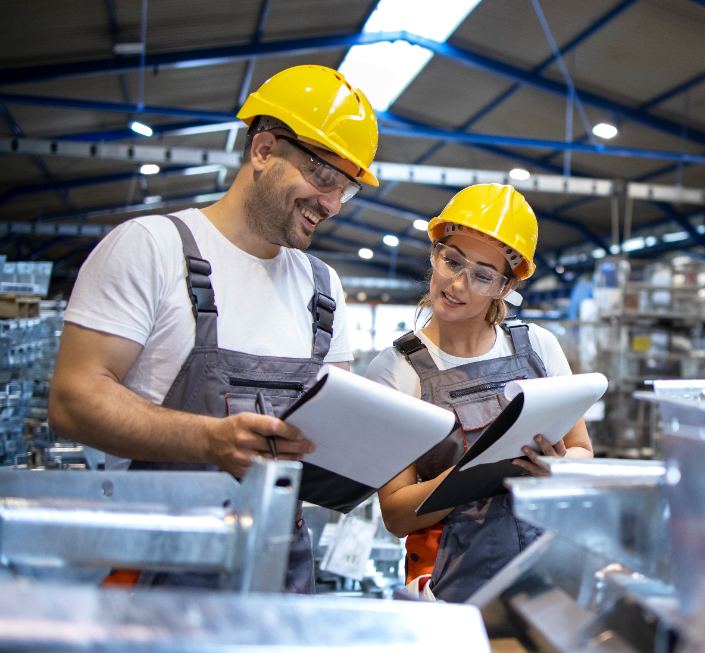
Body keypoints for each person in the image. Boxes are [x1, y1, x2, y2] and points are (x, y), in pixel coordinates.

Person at [48, 65, 380, 593]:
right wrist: (209, 439)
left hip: (279, 577)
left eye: (346, 188)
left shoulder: (323, 286)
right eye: (322, 176)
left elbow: (329, 431)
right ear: (264, 149)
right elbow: (73, 399)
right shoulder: (152, 248)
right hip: (157, 574)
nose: (333, 204)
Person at [366, 183, 593, 603]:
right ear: (435, 254)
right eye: (451, 261)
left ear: (504, 288)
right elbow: (396, 515)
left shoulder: (538, 347)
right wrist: (478, 474)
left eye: (483, 275)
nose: (458, 283)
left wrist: (555, 468)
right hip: (448, 586)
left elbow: (581, 450)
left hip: (545, 574)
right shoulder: (396, 370)